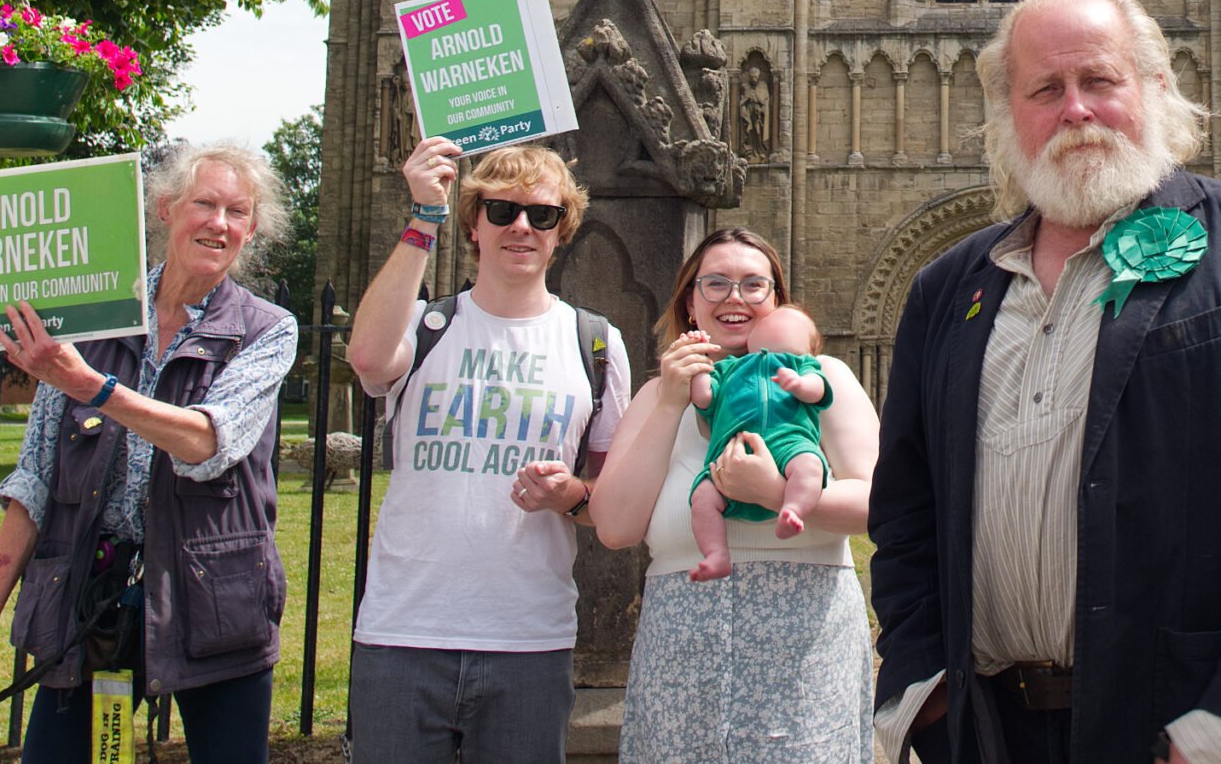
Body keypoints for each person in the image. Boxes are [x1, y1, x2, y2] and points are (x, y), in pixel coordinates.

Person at [869, 0, 1221, 764]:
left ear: (1155, 87)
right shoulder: (948, 288)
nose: (1075, 109)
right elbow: (905, 511)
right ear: (1009, 114)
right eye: (1045, 88)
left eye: (1099, 80)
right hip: (989, 736)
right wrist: (923, 694)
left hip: (1184, 733)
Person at [0, 143, 299, 762]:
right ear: (165, 210)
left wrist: (93, 388)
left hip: (216, 608)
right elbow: (34, 482)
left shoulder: (267, 329)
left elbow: (206, 442)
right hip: (94, 599)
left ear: (252, 229)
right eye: (204, 203)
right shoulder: (92, 321)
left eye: (238, 212)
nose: (219, 223)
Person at [344, 140, 632, 764]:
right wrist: (424, 215)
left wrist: (571, 495)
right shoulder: (423, 328)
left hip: (529, 641)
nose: (521, 226)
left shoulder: (596, 344)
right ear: (475, 225)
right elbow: (366, 358)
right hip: (404, 635)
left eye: (542, 214)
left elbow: (609, 508)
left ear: (563, 230)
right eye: (501, 211)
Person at [586, 228, 878, 763]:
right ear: (690, 303)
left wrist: (773, 493)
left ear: (776, 302)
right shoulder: (658, 395)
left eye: (753, 285)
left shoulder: (822, 378)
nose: (734, 297)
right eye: (715, 283)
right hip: (681, 672)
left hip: (803, 669)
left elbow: (878, 503)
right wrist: (672, 402)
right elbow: (615, 526)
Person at [687, 304, 832, 573]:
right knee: (702, 496)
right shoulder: (729, 368)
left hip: (788, 443)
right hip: (731, 452)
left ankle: (793, 508)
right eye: (767, 322)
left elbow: (819, 390)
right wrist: (700, 369)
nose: (771, 324)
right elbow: (704, 398)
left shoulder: (803, 365)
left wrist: (800, 385)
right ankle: (716, 553)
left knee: (810, 464)